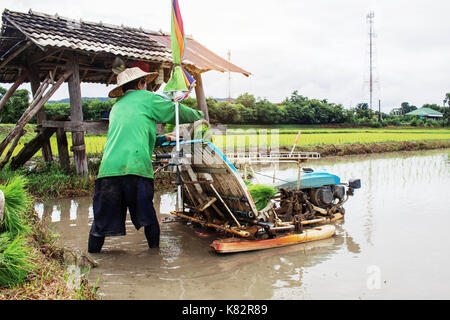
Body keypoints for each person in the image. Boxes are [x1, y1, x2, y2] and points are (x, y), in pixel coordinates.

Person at [88, 67, 204, 253]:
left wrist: (165, 138)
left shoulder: (116, 107)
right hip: (136, 169)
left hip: (108, 172)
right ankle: (154, 257)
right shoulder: (148, 98)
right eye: (146, 84)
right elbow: (179, 111)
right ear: (141, 84)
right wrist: (201, 116)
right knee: (149, 218)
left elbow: (135, 137)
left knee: (100, 224)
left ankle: (92, 260)